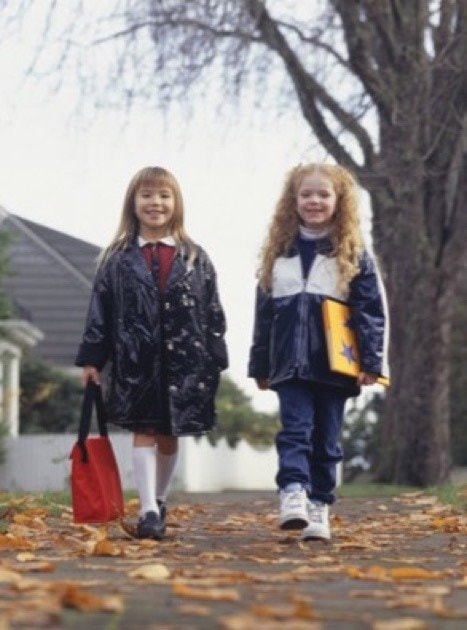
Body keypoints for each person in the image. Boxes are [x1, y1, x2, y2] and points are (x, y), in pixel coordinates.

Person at [76, 166, 228, 540]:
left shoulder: (196, 257)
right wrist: (93, 359)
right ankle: (146, 511)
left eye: (164, 195)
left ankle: (158, 499)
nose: (155, 203)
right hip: (134, 361)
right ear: (133, 202)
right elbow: (100, 312)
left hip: (185, 363)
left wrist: (215, 359)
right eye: (146, 195)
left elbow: (212, 312)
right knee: (142, 428)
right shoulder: (116, 259)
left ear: (176, 204)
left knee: (168, 434)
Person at [248, 163, 389, 541]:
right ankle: (293, 491)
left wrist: (371, 362)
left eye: (323, 194)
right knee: (295, 432)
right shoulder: (278, 255)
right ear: (292, 202)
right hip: (289, 365)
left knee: (326, 441)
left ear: (338, 201)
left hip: (334, 365)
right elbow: (264, 316)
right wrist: (260, 363)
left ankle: (319, 506)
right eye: (306, 194)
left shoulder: (353, 255)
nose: (314, 201)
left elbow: (370, 313)